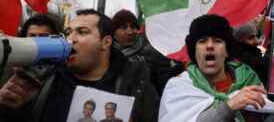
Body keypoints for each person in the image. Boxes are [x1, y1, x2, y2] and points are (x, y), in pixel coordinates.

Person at [0, 9, 159, 122]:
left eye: (82, 32)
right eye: (68, 32)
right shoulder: (43, 79)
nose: (71, 39)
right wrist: (12, 108)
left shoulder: (136, 83)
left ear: (106, 42)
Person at [159, 14, 274, 122]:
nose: (209, 46)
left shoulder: (250, 81)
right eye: (202, 41)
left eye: (217, 41)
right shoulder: (179, 87)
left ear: (227, 50)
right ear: (194, 50)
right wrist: (229, 107)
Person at [110, 9, 183, 94]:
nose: (129, 32)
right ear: (114, 32)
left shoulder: (153, 55)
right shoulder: (105, 54)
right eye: (123, 28)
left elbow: (164, 87)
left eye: (133, 27)